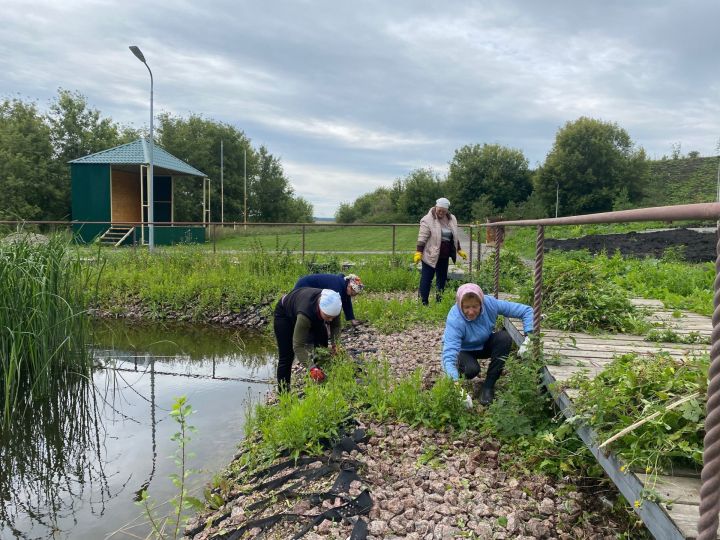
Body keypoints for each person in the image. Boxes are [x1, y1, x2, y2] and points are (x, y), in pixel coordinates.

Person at [442, 283, 533, 406]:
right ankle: (452, 377)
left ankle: (488, 387)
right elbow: (449, 353)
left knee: (504, 338)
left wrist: (529, 337)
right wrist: (457, 388)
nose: (471, 311)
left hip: (484, 343)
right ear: (460, 305)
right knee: (472, 370)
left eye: (475, 306)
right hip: (463, 350)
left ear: (481, 303)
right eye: (466, 307)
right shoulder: (455, 318)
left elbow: (526, 310)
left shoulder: (490, 304)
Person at [273, 287, 342, 392]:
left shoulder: (334, 304)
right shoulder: (305, 315)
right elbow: (298, 346)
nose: (331, 320)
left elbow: (336, 326)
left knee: (321, 346)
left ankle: (322, 383)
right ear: (320, 308)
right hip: (285, 315)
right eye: (328, 317)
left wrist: (335, 344)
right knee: (287, 356)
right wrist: (311, 368)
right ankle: (284, 394)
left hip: (310, 311)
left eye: (333, 317)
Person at [414, 197, 467, 305]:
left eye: (444, 211)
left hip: (444, 255)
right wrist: (419, 252)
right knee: (427, 278)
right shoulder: (427, 219)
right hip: (430, 254)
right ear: (436, 207)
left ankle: (439, 301)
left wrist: (459, 249)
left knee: (441, 279)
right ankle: (423, 302)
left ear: (447, 210)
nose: (441, 213)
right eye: (439, 210)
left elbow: (454, 236)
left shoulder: (452, 219)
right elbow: (422, 237)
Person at [294, 273, 364, 326]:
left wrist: (352, 319)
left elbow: (347, 303)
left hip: (308, 285)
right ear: (349, 286)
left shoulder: (344, 285)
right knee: (307, 308)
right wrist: (329, 326)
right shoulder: (337, 288)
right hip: (304, 285)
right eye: (354, 292)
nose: (354, 295)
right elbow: (329, 308)